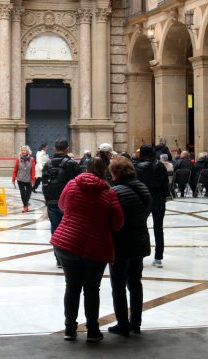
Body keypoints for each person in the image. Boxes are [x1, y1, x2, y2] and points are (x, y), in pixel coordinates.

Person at [50, 158, 124, 342]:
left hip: (67, 242)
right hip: (95, 246)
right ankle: (92, 331)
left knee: (72, 286)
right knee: (92, 289)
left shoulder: (72, 184)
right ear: (104, 172)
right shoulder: (108, 192)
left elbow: (61, 205)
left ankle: (69, 329)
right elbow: (117, 223)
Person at [108, 156, 152, 336]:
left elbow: (112, 219)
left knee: (118, 284)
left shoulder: (115, 191)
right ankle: (136, 323)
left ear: (116, 172)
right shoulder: (143, 188)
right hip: (140, 240)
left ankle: (123, 324)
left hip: (121, 244)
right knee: (135, 282)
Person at [42, 139, 79, 267]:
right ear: (67, 149)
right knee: (70, 228)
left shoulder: (48, 164)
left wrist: (47, 199)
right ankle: (69, 257)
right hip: (69, 202)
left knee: (55, 228)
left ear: (55, 149)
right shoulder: (72, 164)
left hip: (52, 201)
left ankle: (58, 258)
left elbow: (44, 183)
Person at [135, 144, 169, 268]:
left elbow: (137, 184)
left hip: (144, 200)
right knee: (159, 229)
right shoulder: (160, 165)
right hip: (159, 199)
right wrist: (166, 196)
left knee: (139, 228)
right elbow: (165, 182)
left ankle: (139, 254)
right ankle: (158, 257)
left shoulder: (139, 166)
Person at [12, 145, 36, 213]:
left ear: (28, 151)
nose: (23, 151)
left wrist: (33, 179)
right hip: (20, 179)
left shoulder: (31, 160)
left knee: (28, 193)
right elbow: (15, 170)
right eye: (22, 150)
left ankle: (26, 204)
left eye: (24, 150)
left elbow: (33, 170)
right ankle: (25, 206)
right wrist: (13, 179)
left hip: (28, 179)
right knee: (22, 193)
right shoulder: (18, 159)